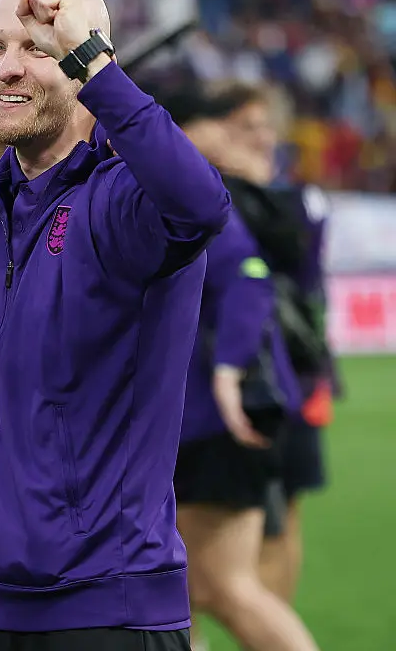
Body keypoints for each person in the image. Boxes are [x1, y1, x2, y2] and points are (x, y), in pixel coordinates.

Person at [0, 0, 231, 651]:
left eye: (38, 49)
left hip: (103, 609)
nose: (6, 68)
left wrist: (93, 63)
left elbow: (202, 204)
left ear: (87, 65)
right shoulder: (0, 205)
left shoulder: (123, 201)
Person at [163, 86, 320, 651]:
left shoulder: (200, 191)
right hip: (200, 418)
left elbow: (250, 278)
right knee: (178, 588)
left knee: (225, 587)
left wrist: (229, 371)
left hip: (219, 417)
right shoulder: (192, 186)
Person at [203, 84, 338, 607]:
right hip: (250, 368)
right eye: (244, 127)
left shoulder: (290, 199)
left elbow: (296, 260)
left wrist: (256, 185)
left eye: (264, 127)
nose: (258, 138)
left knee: (284, 515)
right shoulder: (217, 191)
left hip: (292, 372)